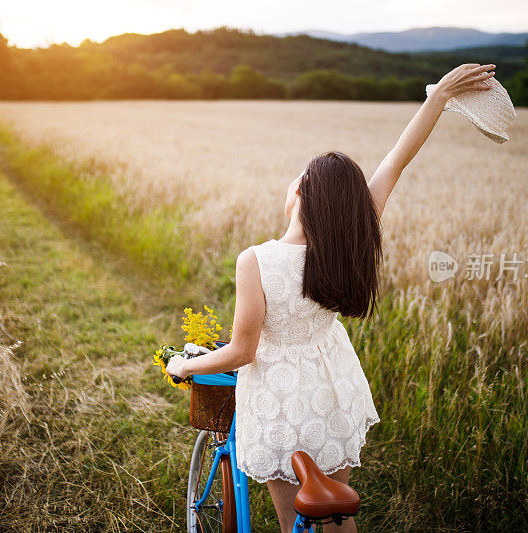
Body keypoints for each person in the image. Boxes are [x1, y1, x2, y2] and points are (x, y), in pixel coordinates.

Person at [166, 63, 496, 533]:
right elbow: (396, 161)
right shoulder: (350, 241)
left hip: (280, 397)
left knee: (291, 522)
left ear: (299, 191)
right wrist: (437, 99)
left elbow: (242, 352)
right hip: (333, 390)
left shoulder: (256, 260)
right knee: (337, 518)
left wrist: (184, 365)